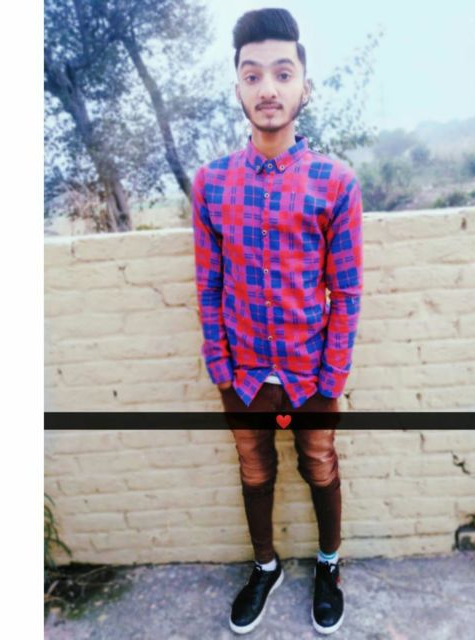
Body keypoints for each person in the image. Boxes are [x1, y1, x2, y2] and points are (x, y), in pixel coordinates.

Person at [192, 7, 363, 635]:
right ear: (238, 87)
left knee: (319, 464)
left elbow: (346, 291)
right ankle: (265, 567)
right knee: (254, 470)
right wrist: (220, 365)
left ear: (303, 87)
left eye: (283, 73)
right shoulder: (211, 184)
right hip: (241, 371)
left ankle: (328, 565)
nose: (268, 87)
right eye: (253, 74)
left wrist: (332, 375)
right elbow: (209, 284)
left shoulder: (335, 182)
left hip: (311, 369)